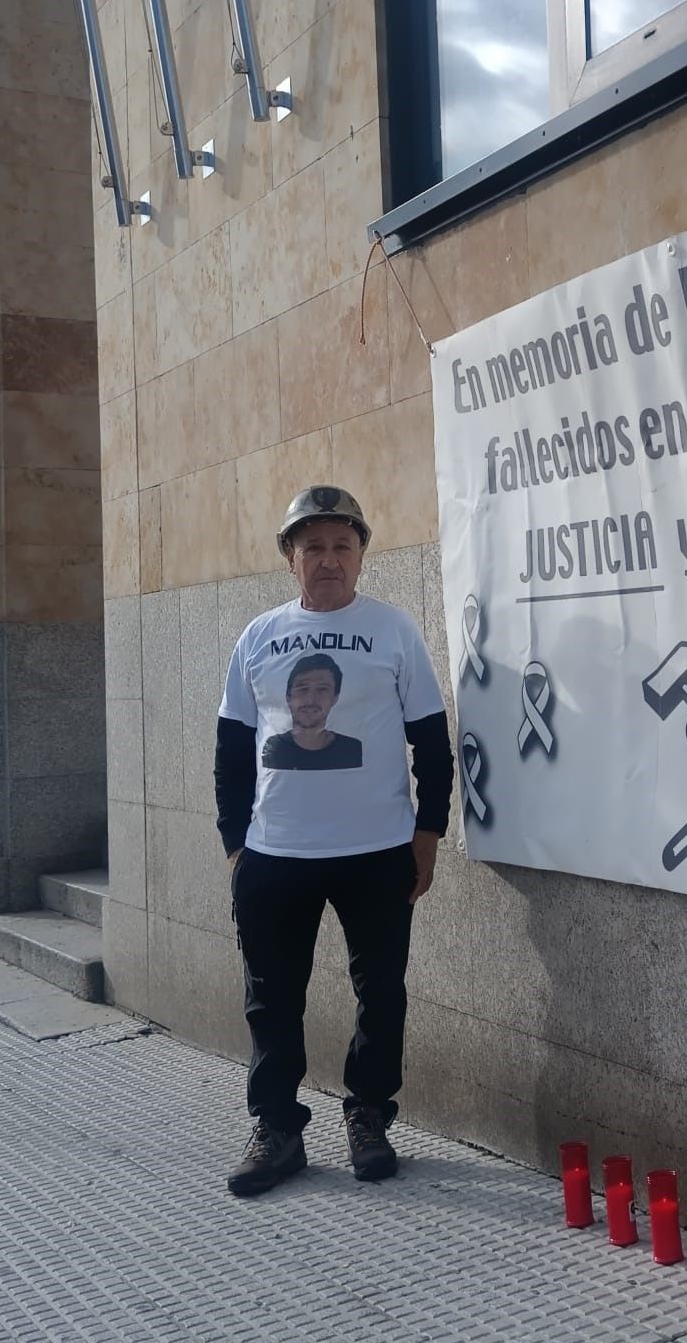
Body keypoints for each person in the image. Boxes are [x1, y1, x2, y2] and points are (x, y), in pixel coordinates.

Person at [215, 485, 454, 1195]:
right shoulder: (258, 637)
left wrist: (428, 834)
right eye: (312, 546)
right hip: (275, 855)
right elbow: (231, 748)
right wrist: (237, 845)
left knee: (381, 992)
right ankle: (277, 1130)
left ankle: (370, 1117)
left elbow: (432, 745)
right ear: (290, 558)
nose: (328, 560)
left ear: (360, 556)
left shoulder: (393, 631)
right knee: (270, 999)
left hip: (377, 853)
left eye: (342, 546)